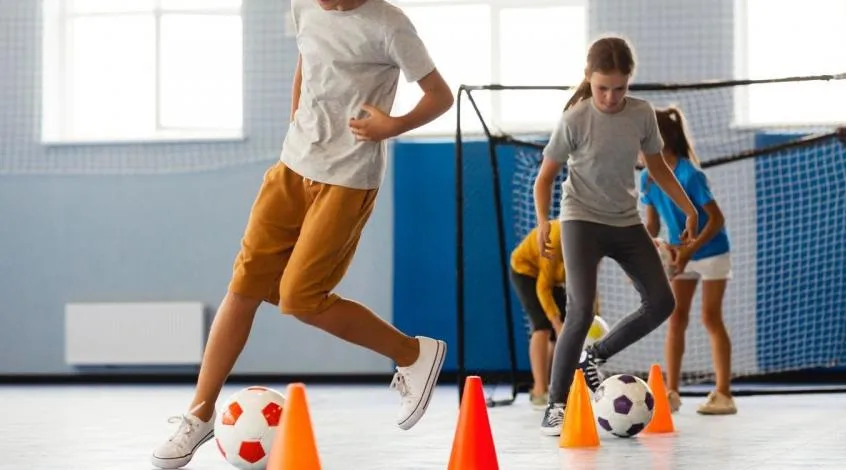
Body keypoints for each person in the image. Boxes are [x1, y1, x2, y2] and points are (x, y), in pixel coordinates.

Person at [150, 0, 454, 467]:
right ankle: (200, 413)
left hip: (348, 178)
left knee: (299, 298)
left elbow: (439, 96)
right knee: (244, 285)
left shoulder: (391, 25)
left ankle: (413, 352)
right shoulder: (302, 7)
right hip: (291, 168)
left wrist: (393, 125)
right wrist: (297, 119)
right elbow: (306, 60)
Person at [534, 35, 699, 436]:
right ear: (589, 79)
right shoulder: (575, 119)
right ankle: (556, 403)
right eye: (602, 87)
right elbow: (545, 179)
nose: (610, 97)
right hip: (580, 221)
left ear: (630, 81)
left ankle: (594, 356)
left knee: (662, 302)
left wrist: (688, 207)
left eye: (619, 88)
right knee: (581, 310)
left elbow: (658, 169)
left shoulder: (642, 115)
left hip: (624, 221)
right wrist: (543, 222)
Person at [639, 106, 736, 415]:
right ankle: (672, 392)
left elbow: (716, 219)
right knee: (676, 319)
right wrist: (640, 253)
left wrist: (690, 251)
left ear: (660, 139)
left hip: (711, 251)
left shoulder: (690, 174)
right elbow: (653, 226)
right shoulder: (647, 178)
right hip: (680, 253)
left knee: (710, 317)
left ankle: (723, 394)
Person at [510, 220, 568, 409]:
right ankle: (539, 390)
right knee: (542, 325)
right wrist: (556, 322)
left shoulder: (590, 247)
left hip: (552, 277)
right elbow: (543, 287)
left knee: (563, 329)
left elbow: (588, 288)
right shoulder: (556, 239)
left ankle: (553, 384)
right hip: (526, 270)